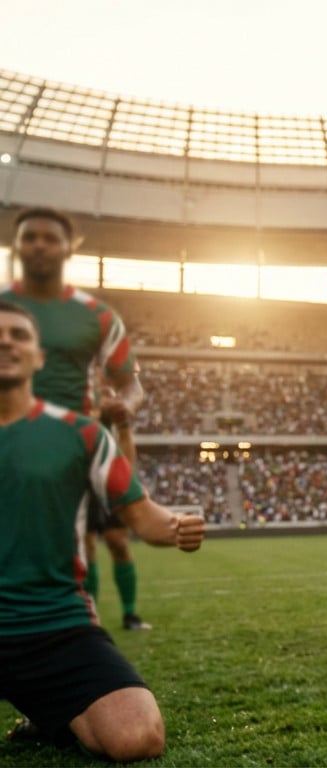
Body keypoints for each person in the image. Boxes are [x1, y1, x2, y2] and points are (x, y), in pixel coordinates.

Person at [0, 299, 205, 761]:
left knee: (137, 738)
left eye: (19, 335)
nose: (6, 343)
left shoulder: (82, 435)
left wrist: (176, 526)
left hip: (53, 625)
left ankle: (50, 709)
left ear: (41, 358)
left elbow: (141, 515)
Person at [1, 208, 153, 631]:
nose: (40, 245)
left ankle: (118, 617)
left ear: (70, 247)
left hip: (77, 446)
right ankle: (79, 626)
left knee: (113, 540)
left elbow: (132, 386)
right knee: (72, 545)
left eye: (50, 238)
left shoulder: (98, 316)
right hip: (12, 441)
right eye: (30, 237)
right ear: (17, 245)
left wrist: (125, 407)